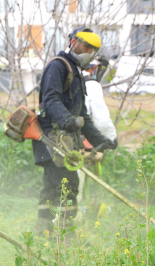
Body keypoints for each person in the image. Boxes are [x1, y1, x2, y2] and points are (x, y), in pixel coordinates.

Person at [33, 27, 117, 236]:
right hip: (52, 137)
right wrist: (67, 120)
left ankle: (43, 231)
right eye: (86, 47)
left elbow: (82, 116)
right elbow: (50, 99)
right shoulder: (58, 66)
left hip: (64, 139)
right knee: (68, 185)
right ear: (73, 43)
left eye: (93, 50)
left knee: (51, 187)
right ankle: (66, 236)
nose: (89, 52)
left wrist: (101, 139)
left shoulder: (76, 73)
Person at [77, 56, 118, 203]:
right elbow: (101, 119)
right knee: (76, 186)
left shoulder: (66, 80)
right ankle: (73, 213)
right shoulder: (92, 85)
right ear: (93, 68)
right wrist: (111, 138)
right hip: (77, 140)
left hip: (55, 138)